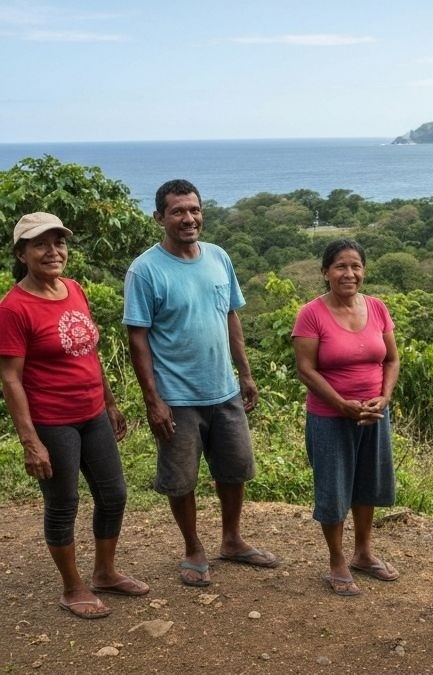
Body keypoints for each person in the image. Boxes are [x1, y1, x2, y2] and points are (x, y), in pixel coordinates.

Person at [123, 179, 278, 587]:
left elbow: (231, 317)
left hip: (223, 388)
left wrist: (244, 373)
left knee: (234, 469)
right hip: (176, 396)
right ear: (159, 218)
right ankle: (193, 547)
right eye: (177, 211)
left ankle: (232, 539)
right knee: (181, 478)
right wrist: (153, 401)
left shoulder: (218, 257)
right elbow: (137, 338)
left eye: (194, 209)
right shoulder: (145, 270)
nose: (188, 218)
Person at [0, 212, 149, 619]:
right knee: (64, 503)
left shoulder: (74, 289)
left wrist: (111, 402)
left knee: (114, 493)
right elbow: (11, 379)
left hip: (92, 413)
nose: (53, 251)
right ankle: (72, 587)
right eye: (41, 244)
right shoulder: (13, 308)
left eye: (59, 242)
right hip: (52, 420)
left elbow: (88, 351)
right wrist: (31, 441)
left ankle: (104, 572)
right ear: (22, 253)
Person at [292, 239, 401, 596]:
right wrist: (341, 404)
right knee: (334, 488)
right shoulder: (311, 314)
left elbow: (391, 359)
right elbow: (306, 370)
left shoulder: (378, 308)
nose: (349, 273)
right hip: (329, 416)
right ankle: (337, 560)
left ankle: (364, 553)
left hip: (373, 415)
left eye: (355, 266)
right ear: (325, 272)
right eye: (340, 266)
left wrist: (383, 398)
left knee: (367, 483)